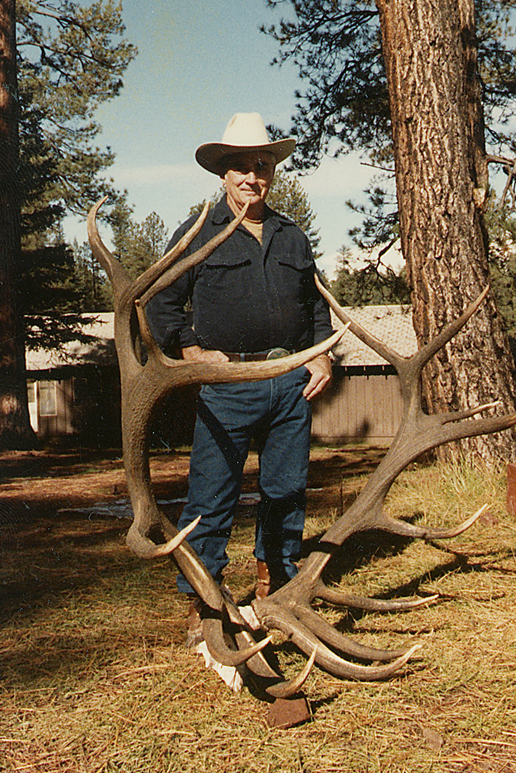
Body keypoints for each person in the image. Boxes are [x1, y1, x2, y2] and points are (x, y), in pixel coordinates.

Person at [146, 112, 333, 605]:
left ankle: (279, 583)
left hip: (290, 380)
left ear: (272, 171)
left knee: (286, 491)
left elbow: (316, 304)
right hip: (226, 384)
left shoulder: (291, 235)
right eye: (241, 167)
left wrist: (321, 358)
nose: (253, 176)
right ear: (223, 174)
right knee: (211, 497)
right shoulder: (197, 231)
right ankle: (203, 600)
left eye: (262, 165)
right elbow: (159, 300)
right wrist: (190, 350)